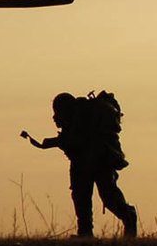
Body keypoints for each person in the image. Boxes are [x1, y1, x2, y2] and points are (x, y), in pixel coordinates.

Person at [22, 91, 137, 238]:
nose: (55, 117)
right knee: (83, 196)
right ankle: (86, 231)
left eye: (57, 112)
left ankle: (127, 218)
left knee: (104, 196)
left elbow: (76, 140)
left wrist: (54, 142)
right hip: (86, 163)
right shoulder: (77, 118)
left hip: (96, 161)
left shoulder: (80, 118)